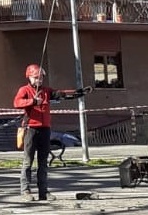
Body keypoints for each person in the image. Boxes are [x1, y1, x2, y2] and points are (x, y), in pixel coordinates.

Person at [13, 64, 89, 201]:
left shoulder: (47, 91)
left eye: (41, 78)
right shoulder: (24, 90)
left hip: (45, 129)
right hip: (31, 129)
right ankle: (25, 191)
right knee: (28, 161)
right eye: (36, 78)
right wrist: (33, 101)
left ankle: (44, 192)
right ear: (29, 77)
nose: (39, 80)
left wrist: (78, 93)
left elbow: (61, 94)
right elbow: (17, 102)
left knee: (43, 162)